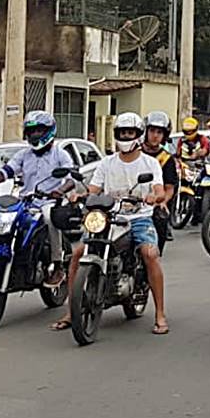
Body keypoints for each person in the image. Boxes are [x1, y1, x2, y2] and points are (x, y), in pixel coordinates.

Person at [53, 112, 169, 335]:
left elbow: (159, 190)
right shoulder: (106, 163)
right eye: (122, 133)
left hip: (139, 218)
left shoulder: (150, 163)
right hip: (107, 217)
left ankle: (160, 314)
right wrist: (80, 195)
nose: (125, 137)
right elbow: (94, 189)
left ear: (138, 135)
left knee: (150, 254)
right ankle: (71, 311)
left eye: (130, 133)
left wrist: (154, 197)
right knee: (77, 253)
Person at [0, 111, 75, 286]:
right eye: (31, 131)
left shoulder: (60, 154)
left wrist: (60, 190)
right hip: (27, 201)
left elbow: (71, 178)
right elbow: (6, 171)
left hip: (49, 201)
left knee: (49, 218)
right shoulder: (23, 154)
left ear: (49, 131)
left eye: (39, 130)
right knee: (5, 216)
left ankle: (57, 264)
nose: (35, 134)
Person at [142, 111, 178, 255]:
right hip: (130, 201)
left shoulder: (166, 159)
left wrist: (162, 201)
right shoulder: (134, 152)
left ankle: (155, 256)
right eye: (152, 131)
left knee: (160, 218)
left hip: (154, 202)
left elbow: (169, 188)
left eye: (159, 132)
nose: (155, 135)